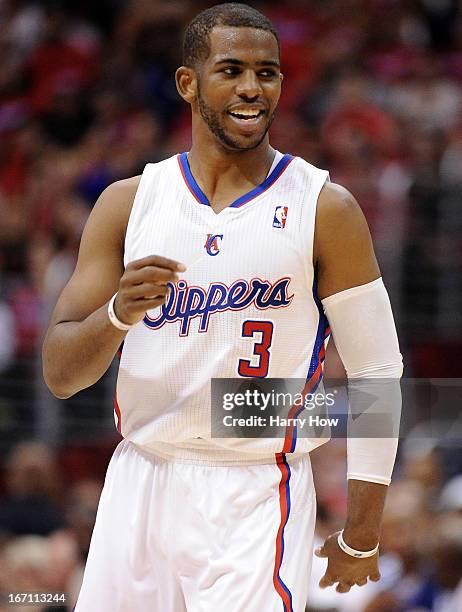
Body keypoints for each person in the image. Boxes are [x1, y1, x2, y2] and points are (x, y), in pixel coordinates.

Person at [42, 3, 403, 611]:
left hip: (254, 489)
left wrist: (363, 531)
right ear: (188, 83)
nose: (252, 88)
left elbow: (377, 373)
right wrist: (115, 317)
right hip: (140, 476)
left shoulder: (324, 207)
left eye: (268, 73)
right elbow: (59, 374)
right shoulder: (129, 204)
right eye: (231, 70)